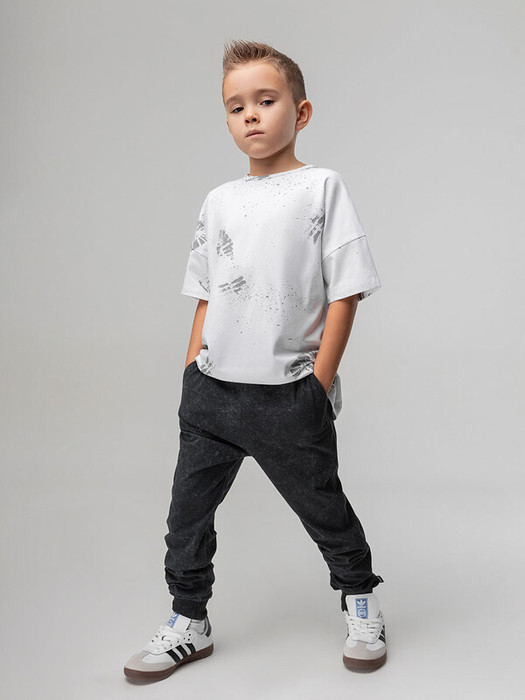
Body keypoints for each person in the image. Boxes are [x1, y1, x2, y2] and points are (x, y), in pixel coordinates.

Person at [124, 38, 386, 682]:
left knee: (323, 507)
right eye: (235, 106)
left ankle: (360, 600)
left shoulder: (321, 187)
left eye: (265, 101)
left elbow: (346, 290)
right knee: (185, 518)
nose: (250, 115)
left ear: (301, 112)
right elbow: (205, 293)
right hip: (211, 395)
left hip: (287, 397)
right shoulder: (219, 200)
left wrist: (317, 384)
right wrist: (191, 372)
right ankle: (189, 619)